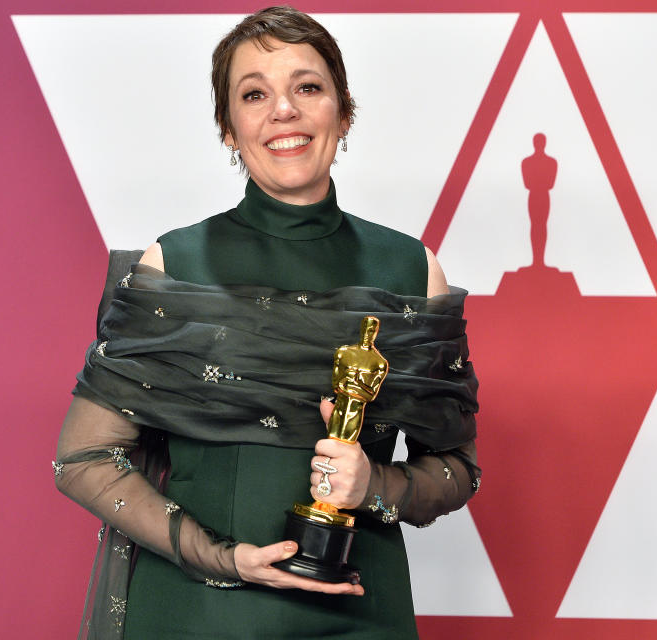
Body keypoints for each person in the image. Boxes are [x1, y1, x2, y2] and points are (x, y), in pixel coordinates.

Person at [56, 7, 481, 639]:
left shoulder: (412, 270)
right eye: (254, 94)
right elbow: (82, 457)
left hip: (359, 609)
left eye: (307, 87)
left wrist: (373, 485)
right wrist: (222, 558)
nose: (284, 111)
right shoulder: (174, 262)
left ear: (344, 110)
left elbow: (456, 469)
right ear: (229, 129)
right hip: (196, 612)